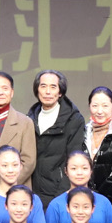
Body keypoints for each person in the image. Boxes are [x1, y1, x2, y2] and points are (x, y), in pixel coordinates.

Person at [28, 70, 86, 202]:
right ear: (37, 90)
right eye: (43, 86)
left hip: (59, 193)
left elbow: (73, 159)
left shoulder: (74, 120)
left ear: (60, 92)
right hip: (32, 193)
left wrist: (61, 196)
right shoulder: (29, 119)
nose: (47, 92)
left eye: (53, 87)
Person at [0, 71, 38, 195]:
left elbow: (29, 161)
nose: (0, 92)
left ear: (12, 92)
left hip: (17, 191)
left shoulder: (25, 122)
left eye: (5, 88)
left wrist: (5, 187)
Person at [0, 146, 48, 223]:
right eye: (5, 165)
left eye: (15, 165)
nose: (10, 170)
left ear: (21, 166)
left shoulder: (34, 199)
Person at [46, 151, 112, 223]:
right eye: (74, 168)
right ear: (66, 171)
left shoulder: (103, 203)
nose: (79, 173)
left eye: (84, 168)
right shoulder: (55, 205)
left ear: (91, 170)